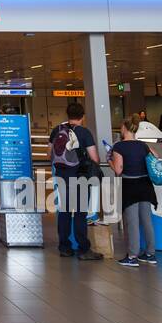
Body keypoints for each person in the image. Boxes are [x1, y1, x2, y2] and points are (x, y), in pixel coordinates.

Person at [51, 101, 103, 260]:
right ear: (82, 116)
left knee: (65, 211)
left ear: (68, 115)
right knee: (80, 212)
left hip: (61, 175)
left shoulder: (57, 130)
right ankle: (83, 249)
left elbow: (49, 155)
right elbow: (94, 158)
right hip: (79, 176)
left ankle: (64, 247)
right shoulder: (84, 133)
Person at [110, 116, 158, 268]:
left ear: (124, 128)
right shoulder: (143, 145)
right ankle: (150, 253)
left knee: (132, 222)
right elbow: (155, 157)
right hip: (145, 185)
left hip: (130, 185)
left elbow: (118, 170)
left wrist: (110, 160)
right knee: (146, 219)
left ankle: (132, 256)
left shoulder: (119, 147)